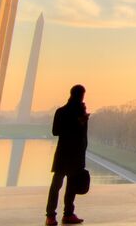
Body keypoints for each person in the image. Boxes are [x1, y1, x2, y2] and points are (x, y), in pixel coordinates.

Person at [46, 84, 89, 225]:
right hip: (71, 154)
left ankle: (55, 215)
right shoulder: (73, 113)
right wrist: (78, 122)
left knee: (64, 185)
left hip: (66, 154)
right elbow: (57, 131)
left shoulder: (62, 111)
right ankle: (61, 214)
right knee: (62, 185)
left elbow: (56, 131)